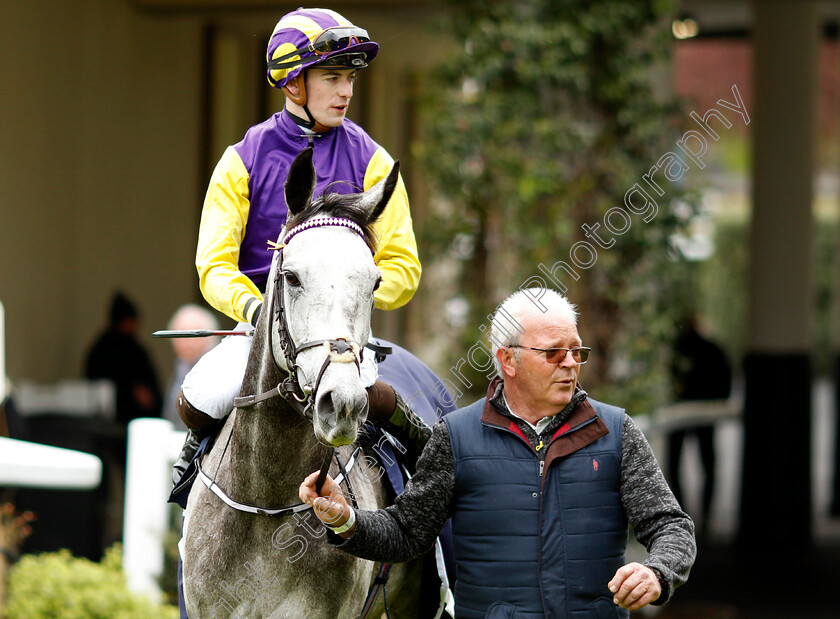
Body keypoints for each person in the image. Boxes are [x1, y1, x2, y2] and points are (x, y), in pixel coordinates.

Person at [300, 288, 696, 618]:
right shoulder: (455, 437)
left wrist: (657, 573)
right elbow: (406, 533)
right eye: (554, 353)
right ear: (508, 359)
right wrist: (346, 519)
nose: (571, 364)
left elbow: (672, 527)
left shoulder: (617, 431)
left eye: (577, 351)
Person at [172, 7, 425, 483]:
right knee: (201, 398)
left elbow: (404, 269)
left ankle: (423, 513)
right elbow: (214, 267)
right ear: (292, 83)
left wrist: (347, 297)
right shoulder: (240, 161)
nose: (347, 91)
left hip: (345, 342)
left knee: (393, 409)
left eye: (349, 78)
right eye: (332, 77)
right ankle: (192, 493)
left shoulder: (375, 162)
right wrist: (258, 310)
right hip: (261, 335)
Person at [668, 313, 732, 535]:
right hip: (704, 411)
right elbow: (725, 377)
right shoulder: (711, 348)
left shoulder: (676, 348)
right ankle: (705, 515)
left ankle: (681, 513)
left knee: (674, 464)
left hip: (678, 410)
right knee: (708, 463)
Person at [85, 291, 162, 426]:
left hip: (139, 419)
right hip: (111, 421)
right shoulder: (103, 349)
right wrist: (131, 389)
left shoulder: (137, 350)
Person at [162, 304, 220, 431]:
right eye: (179, 335)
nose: (185, 341)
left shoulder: (215, 368)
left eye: (191, 335)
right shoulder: (181, 365)